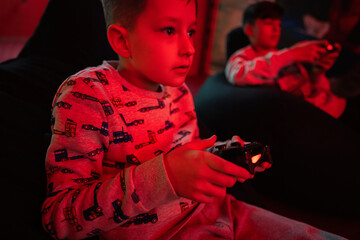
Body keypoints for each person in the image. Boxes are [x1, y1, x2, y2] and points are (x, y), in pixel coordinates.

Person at [41, 0, 346, 239]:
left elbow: (190, 153)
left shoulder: (179, 89)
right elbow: (61, 218)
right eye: (170, 31)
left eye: (190, 31)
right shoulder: (87, 96)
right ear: (122, 41)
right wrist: (167, 176)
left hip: (223, 213)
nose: (189, 48)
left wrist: (221, 157)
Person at [225, 1, 346, 119]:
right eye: (268, 23)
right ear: (250, 30)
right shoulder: (244, 57)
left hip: (321, 111)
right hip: (294, 117)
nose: (276, 29)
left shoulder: (284, 56)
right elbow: (238, 75)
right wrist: (291, 54)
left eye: (278, 24)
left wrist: (318, 73)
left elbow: (311, 90)